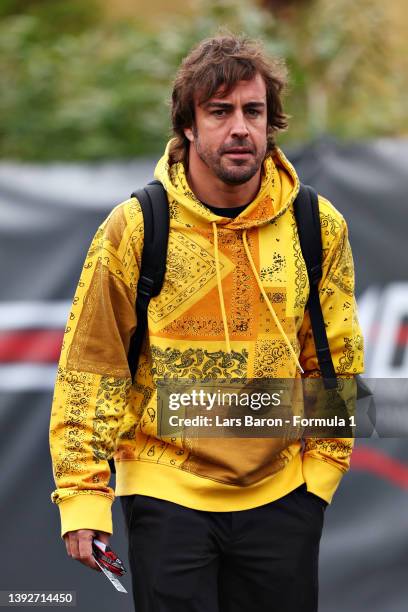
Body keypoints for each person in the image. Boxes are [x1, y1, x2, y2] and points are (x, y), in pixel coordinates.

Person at [49, 34, 364, 612]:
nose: (239, 128)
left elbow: (336, 359)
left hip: (283, 494)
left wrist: (318, 479)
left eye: (253, 111)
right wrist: (83, 499)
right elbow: (90, 369)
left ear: (271, 124)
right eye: (219, 112)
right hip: (163, 491)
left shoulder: (316, 225)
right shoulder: (135, 227)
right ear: (188, 125)